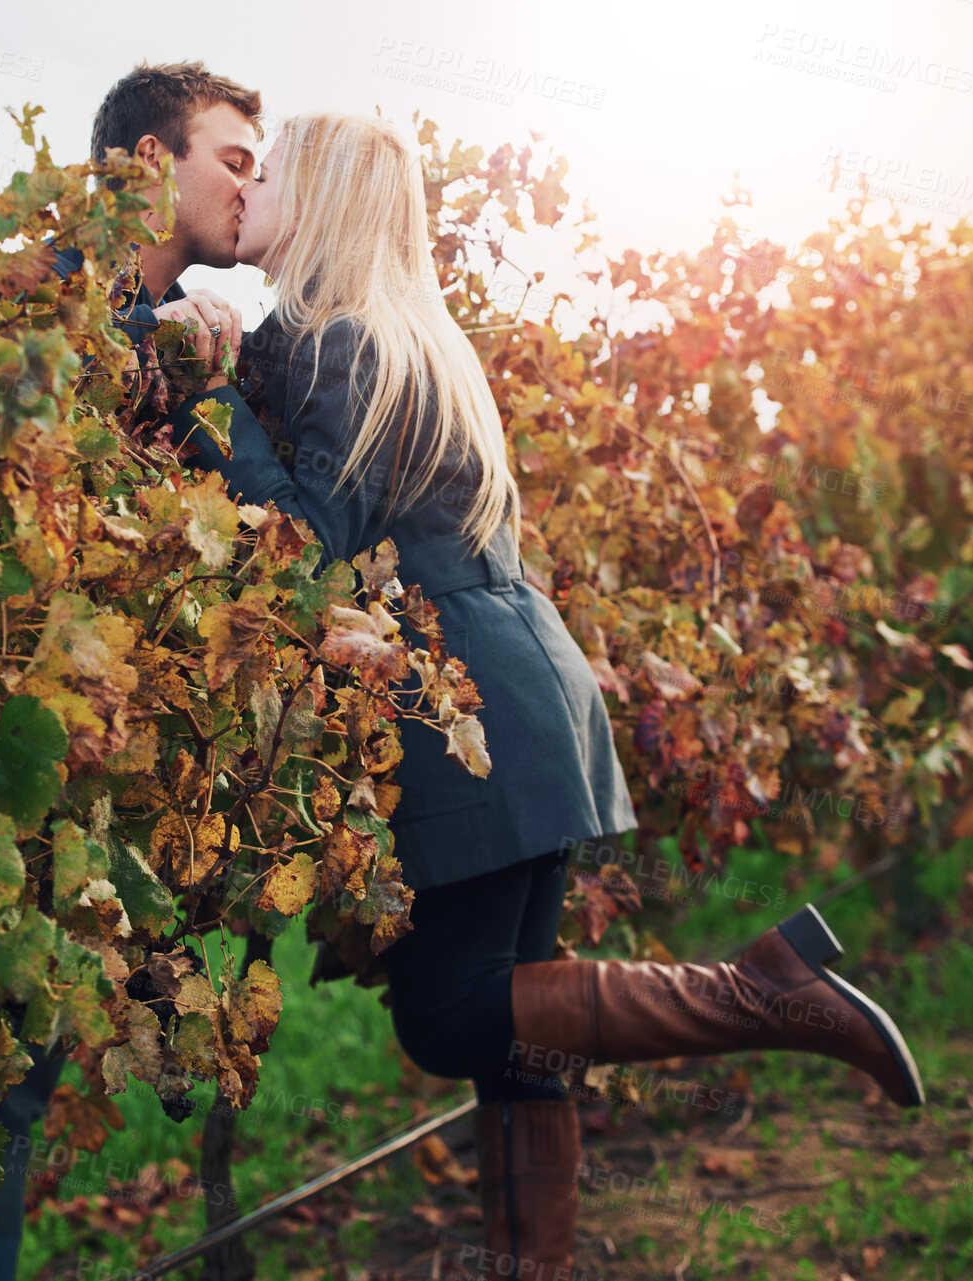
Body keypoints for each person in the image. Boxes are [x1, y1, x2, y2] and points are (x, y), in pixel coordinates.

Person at [169, 111, 926, 1281]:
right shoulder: (387, 335)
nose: (249, 188)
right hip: (521, 706)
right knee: (521, 1044)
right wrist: (231, 356)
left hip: (465, 717)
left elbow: (306, 543)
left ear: (315, 201)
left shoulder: (342, 344)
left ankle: (762, 993)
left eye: (269, 174)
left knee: (447, 1016)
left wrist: (202, 392)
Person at [0, 60, 263, 1281]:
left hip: (80, 787)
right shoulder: (35, 300)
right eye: (233, 162)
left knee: (8, 1109)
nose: (254, 189)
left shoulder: (178, 344)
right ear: (151, 162)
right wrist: (150, 353)